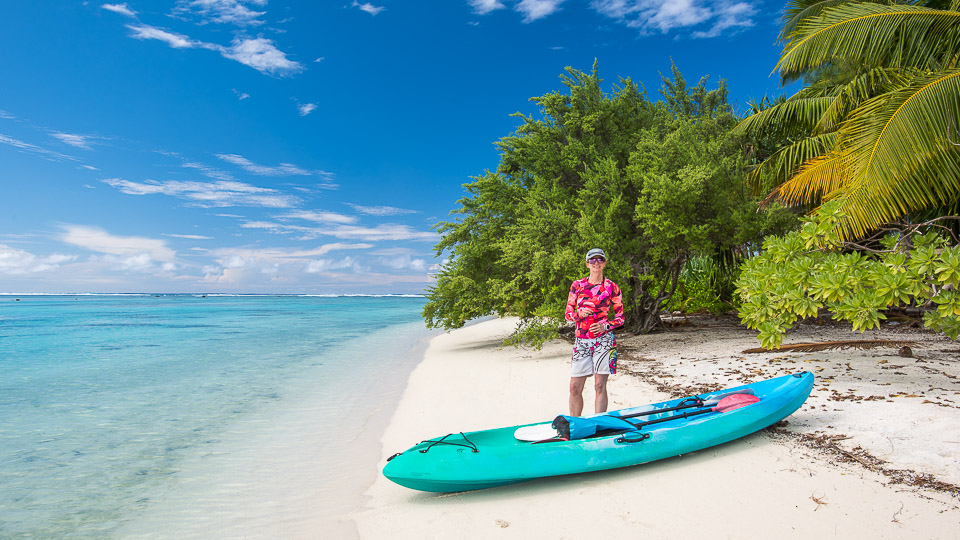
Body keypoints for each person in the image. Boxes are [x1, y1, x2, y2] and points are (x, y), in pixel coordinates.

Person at [564, 248, 624, 416]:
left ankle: (599, 422)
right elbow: (568, 315)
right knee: (574, 387)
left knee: (599, 386)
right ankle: (575, 423)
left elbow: (620, 318)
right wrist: (579, 315)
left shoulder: (612, 286)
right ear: (587, 264)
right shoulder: (577, 285)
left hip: (604, 341)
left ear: (604, 263)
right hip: (581, 342)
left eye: (600, 259)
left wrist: (605, 326)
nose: (596, 263)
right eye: (592, 260)